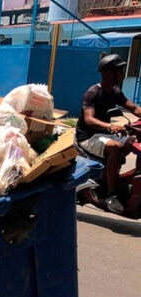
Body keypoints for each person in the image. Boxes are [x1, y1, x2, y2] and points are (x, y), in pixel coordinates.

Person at [76, 53, 141, 214]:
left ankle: (115, 178)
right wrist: (110, 127)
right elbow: (89, 119)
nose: (123, 74)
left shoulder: (115, 91)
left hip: (104, 134)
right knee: (116, 147)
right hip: (88, 137)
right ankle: (111, 194)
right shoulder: (93, 93)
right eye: (120, 71)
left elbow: (133, 108)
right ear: (109, 73)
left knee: (133, 140)